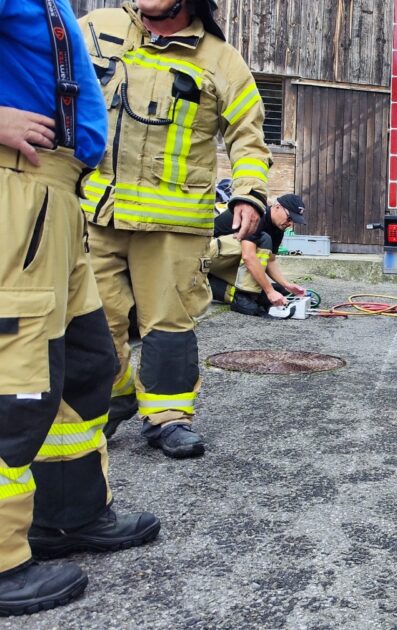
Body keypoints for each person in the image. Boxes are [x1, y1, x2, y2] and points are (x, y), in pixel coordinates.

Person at [0, 0, 160, 614]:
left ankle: (68, 515)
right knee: (15, 379)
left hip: (57, 196)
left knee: (87, 362)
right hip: (17, 188)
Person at [78, 0, 272, 457]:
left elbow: (248, 135)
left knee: (167, 324)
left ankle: (167, 418)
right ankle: (115, 394)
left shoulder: (221, 60)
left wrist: (248, 193)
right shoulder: (96, 28)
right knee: (90, 321)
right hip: (96, 213)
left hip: (173, 223)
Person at [208, 194, 309, 316]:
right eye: (289, 218)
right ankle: (246, 293)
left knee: (270, 292)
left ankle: (246, 294)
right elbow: (248, 256)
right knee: (262, 239)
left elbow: (270, 261)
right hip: (203, 256)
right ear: (277, 207)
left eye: (293, 221)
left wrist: (286, 285)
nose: (290, 223)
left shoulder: (278, 228)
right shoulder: (256, 215)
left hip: (219, 265)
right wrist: (270, 291)